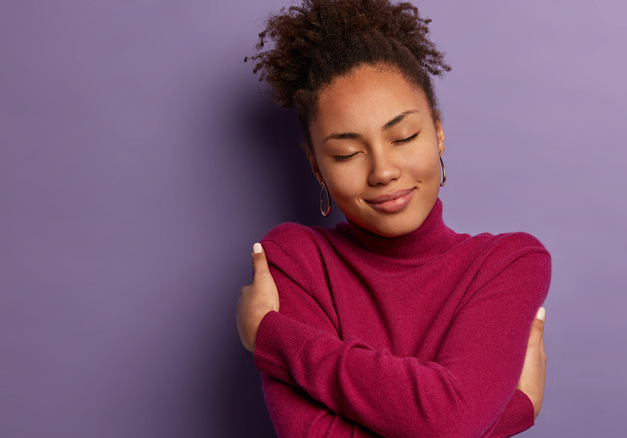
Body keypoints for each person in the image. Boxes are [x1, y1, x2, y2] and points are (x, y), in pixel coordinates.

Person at [236, 1, 551, 436]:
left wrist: (274, 339)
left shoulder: (508, 262)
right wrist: (511, 414)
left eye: (403, 137)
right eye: (346, 153)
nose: (383, 171)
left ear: (438, 132)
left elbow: (450, 421)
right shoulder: (295, 260)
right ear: (315, 166)